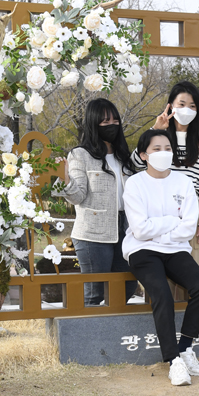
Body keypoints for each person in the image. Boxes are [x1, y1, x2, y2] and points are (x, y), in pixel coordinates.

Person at [123, 129, 199, 386]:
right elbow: (139, 229)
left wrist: (160, 230)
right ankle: (174, 362)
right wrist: (171, 222)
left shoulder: (183, 182)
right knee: (162, 294)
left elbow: (188, 226)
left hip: (175, 249)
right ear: (144, 155)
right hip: (142, 251)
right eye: (156, 149)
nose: (163, 153)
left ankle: (185, 348)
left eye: (167, 148)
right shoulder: (135, 184)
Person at [131, 81, 199, 268]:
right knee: (158, 269)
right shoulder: (159, 136)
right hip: (158, 210)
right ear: (171, 105)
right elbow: (135, 164)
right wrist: (155, 129)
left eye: (192, 106)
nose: (187, 109)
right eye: (182, 104)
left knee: (192, 269)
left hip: (190, 213)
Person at [60, 98, 137, 306]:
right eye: (104, 121)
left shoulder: (124, 156)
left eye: (114, 120)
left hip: (127, 231)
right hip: (93, 234)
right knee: (95, 293)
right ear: (93, 124)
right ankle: (84, 335)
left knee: (127, 286)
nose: (111, 125)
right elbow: (77, 197)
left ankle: (112, 335)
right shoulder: (80, 154)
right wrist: (65, 179)